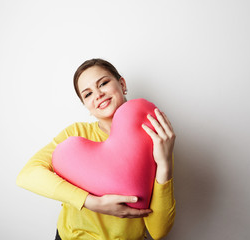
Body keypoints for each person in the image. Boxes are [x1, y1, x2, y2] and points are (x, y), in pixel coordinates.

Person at [16, 58, 176, 240]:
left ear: (122, 84)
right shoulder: (76, 134)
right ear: (86, 105)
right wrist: (92, 202)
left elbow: (158, 231)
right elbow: (27, 175)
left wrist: (164, 164)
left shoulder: (153, 136)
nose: (98, 94)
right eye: (88, 94)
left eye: (104, 83)